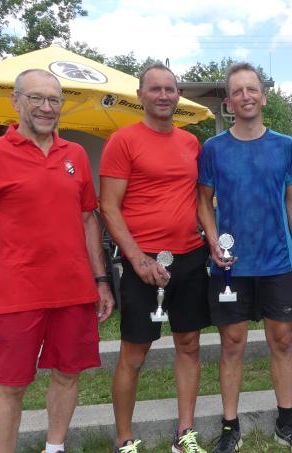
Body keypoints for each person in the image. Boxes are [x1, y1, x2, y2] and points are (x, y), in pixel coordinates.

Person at [0, 69, 114, 453]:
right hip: (16, 293)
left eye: (54, 100)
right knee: (10, 384)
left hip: (75, 291)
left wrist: (101, 280)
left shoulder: (75, 154)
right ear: (16, 102)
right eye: (36, 98)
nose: (47, 108)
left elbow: (88, 220)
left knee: (68, 374)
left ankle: (55, 447)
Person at [197, 62, 292, 453]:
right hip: (230, 265)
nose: (246, 96)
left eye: (253, 89)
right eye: (238, 91)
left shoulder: (285, 145)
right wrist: (213, 242)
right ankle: (230, 427)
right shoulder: (212, 149)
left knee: (281, 342)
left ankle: (286, 422)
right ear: (228, 102)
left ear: (264, 97)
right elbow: (203, 202)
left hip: (278, 263)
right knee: (232, 345)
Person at [100, 63, 211, 453]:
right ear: (140, 95)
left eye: (170, 89)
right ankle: (124, 440)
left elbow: (199, 200)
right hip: (143, 261)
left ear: (177, 95)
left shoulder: (191, 142)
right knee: (134, 352)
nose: (164, 95)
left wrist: (213, 241)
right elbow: (109, 208)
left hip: (191, 258)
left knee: (190, 344)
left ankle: (185, 433)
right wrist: (138, 260)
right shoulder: (123, 141)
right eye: (156, 89)